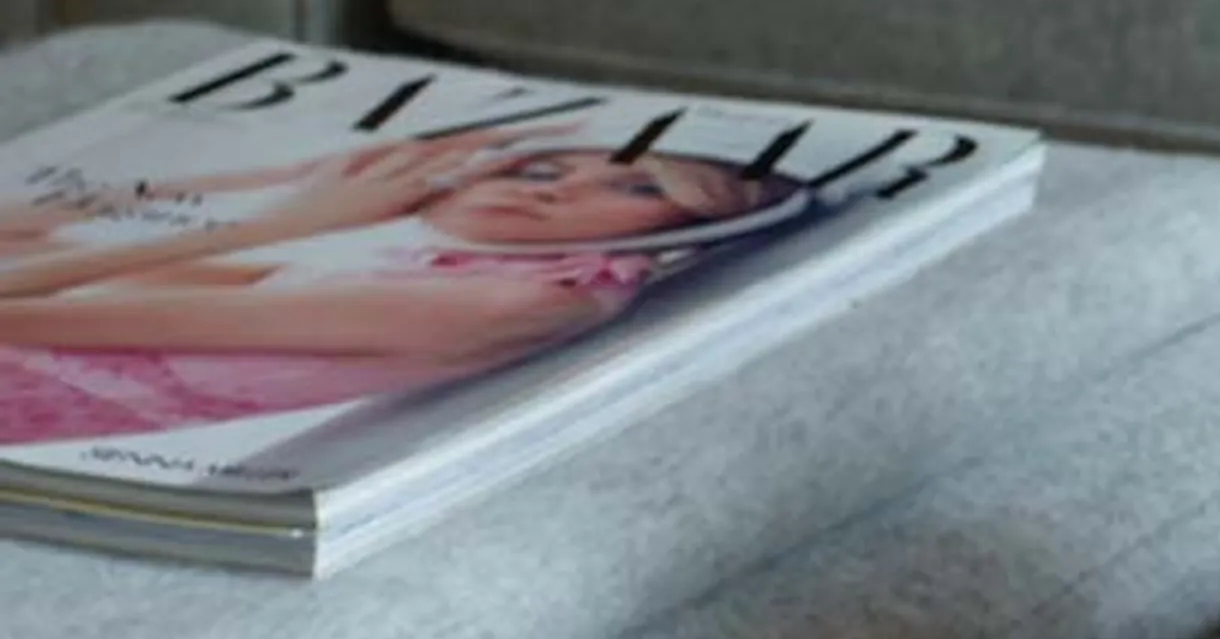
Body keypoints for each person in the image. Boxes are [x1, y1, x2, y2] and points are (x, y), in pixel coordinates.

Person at [0, 134, 813, 449]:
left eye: (640, 190)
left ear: (684, 230)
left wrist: (278, 221)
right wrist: (285, 177)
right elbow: (37, 232)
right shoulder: (461, 276)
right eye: (543, 166)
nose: (552, 189)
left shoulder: (519, 302)